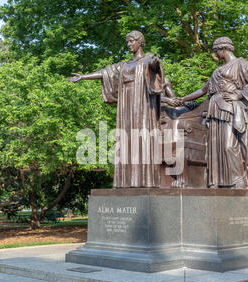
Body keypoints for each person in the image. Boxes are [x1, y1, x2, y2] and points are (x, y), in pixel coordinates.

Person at [68, 31, 177, 188]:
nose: (129, 44)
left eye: (132, 41)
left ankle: (145, 180)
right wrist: (83, 77)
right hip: (126, 106)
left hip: (143, 105)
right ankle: (126, 181)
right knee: (126, 138)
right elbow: (106, 73)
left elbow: (156, 71)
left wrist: (154, 63)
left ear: (140, 42)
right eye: (128, 41)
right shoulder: (124, 65)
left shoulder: (148, 59)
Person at [177, 37, 248, 188]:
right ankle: (217, 182)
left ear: (224, 48)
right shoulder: (217, 71)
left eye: (216, 50)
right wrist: (182, 99)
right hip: (214, 110)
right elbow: (203, 90)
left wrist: (239, 95)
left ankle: (237, 181)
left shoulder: (240, 64)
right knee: (215, 148)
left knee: (230, 145)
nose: (215, 54)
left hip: (229, 109)